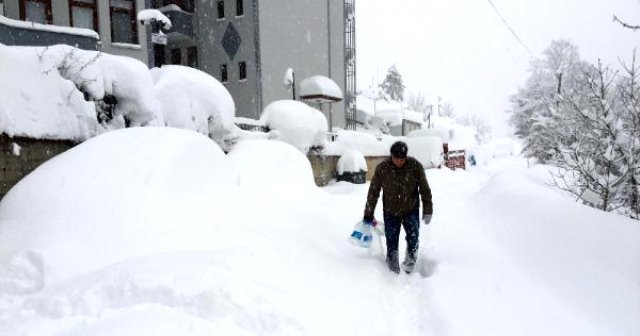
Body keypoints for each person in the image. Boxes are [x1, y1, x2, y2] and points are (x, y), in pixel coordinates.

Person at [363, 141, 433, 274]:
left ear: (406, 156)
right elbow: (373, 192)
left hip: (410, 209)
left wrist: (428, 209)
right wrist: (368, 212)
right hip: (391, 211)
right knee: (391, 239)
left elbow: (425, 189)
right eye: (396, 158)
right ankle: (392, 269)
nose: (399, 161)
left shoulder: (415, 166)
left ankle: (408, 266)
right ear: (392, 156)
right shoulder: (382, 169)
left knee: (413, 238)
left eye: (402, 158)